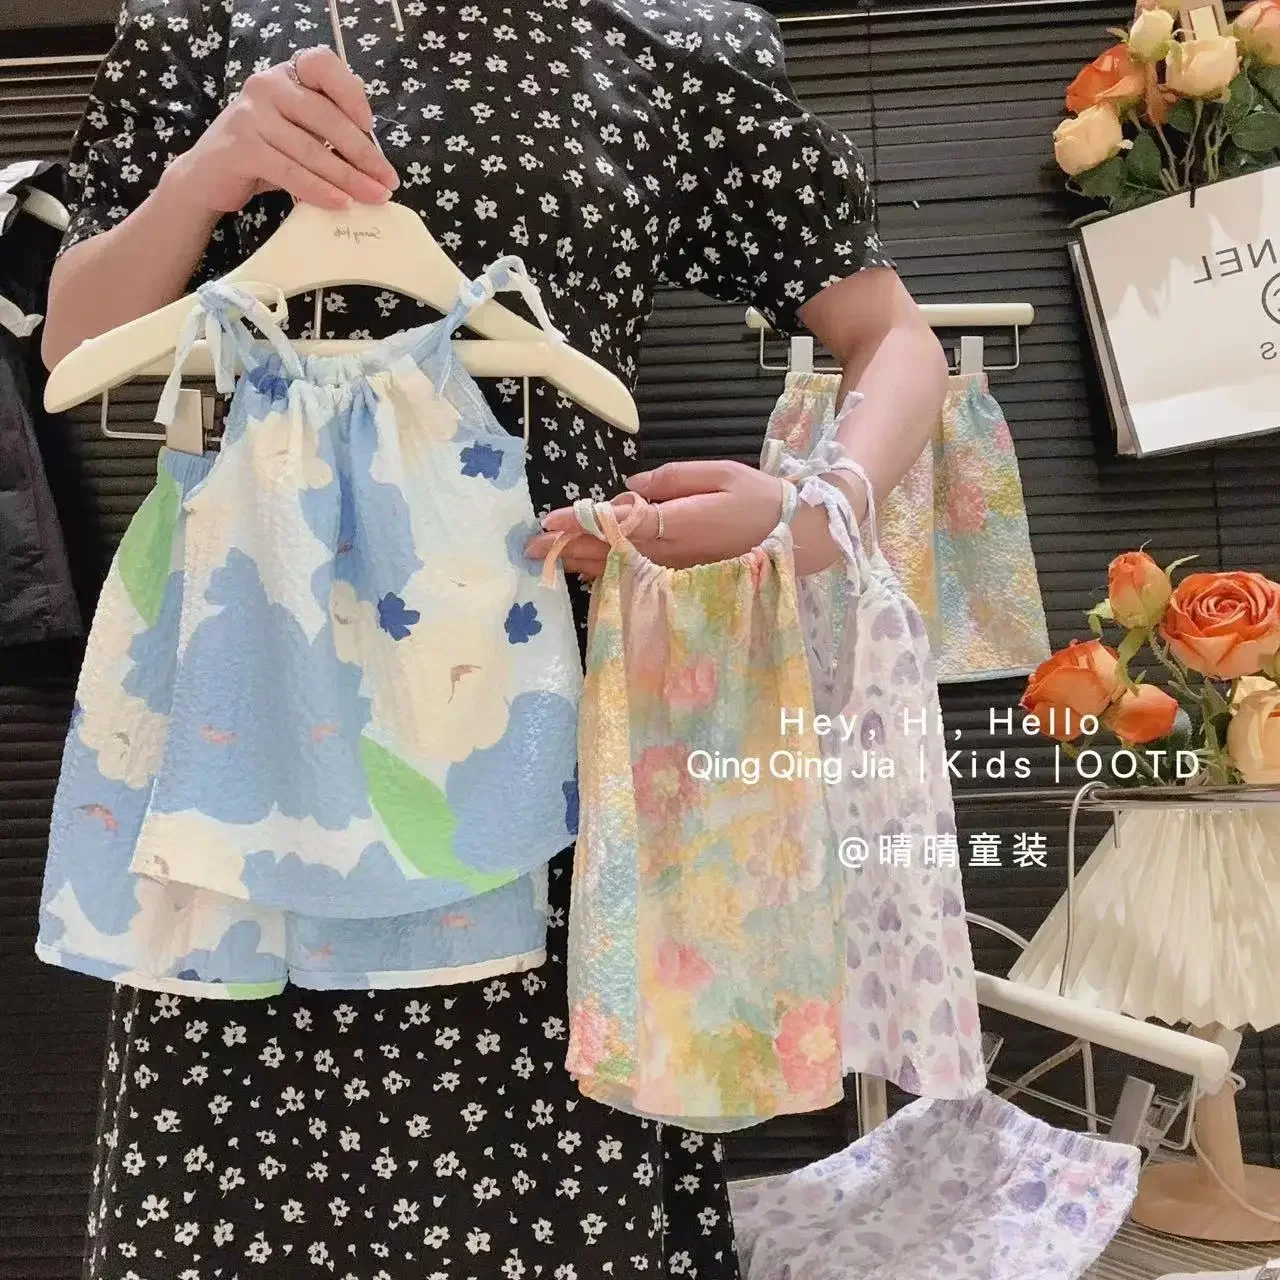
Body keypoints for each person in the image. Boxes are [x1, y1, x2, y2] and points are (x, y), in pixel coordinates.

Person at [42, 1, 949, 1276]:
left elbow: (890, 331)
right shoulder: (208, 20)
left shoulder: (668, 37)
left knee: (557, 1183)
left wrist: (814, 514)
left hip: (552, 708)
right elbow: (75, 341)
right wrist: (208, 171)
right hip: (261, 727)